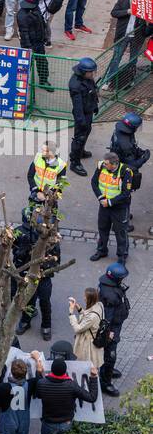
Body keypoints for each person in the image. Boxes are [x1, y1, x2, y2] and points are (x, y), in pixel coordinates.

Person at [89, 153, 131, 263]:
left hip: (119, 207)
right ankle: (102, 250)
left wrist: (110, 202)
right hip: (104, 204)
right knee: (103, 228)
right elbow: (94, 183)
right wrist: (101, 198)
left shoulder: (125, 172)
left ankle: (122, 255)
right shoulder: (101, 167)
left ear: (114, 164)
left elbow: (126, 193)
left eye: (106, 163)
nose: (104, 164)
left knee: (120, 231)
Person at [97, 263, 130, 397]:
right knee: (110, 355)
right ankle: (105, 382)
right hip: (111, 329)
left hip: (115, 324)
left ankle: (107, 370)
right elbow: (107, 317)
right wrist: (108, 333)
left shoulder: (109, 286)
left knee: (108, 354)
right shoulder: (110, 295)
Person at [68, 57, 98, 175]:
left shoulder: (88, 78)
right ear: (83, 72)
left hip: (89, 110)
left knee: (87, 131)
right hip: (82, 114)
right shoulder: (75, 84)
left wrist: (95, 106)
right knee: (79, 138)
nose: (93, 74)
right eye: (91, 72)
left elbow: (92, 91)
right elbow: (78, 106)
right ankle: (75, 163)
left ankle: (80, 152)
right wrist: (81, 121)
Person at [68, 287, 105, 370]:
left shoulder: (92, 317)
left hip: (89, 345)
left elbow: (78, 328)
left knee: (87, 366)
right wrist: (78, 308)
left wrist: (71, 313)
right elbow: (89, 315)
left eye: (85, 296)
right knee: (92, 365)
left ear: (90, 299)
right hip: (96, 338)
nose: (84, 298)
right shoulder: (99, 305)